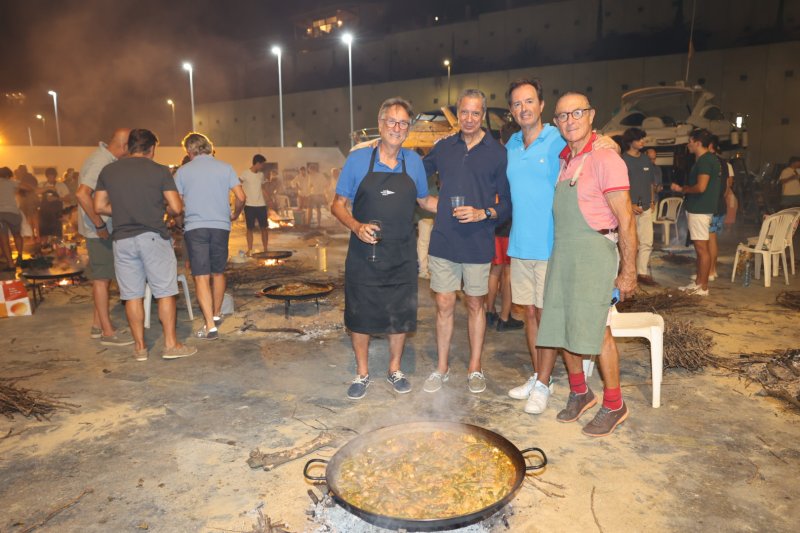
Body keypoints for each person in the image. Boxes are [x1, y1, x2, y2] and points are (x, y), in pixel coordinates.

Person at [537, 91, 637, 437]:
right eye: (563, 116)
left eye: (577, 113)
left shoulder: (605, 158)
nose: (570, 120)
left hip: (594, 251)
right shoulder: (566, 159)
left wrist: (627, 271)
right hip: (564, 250)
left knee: (597, 329)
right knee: (564, 324)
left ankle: (614, 403)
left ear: (591, 115)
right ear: (556, 122)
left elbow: (626, 219)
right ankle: (580, 391)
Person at [331, 97, 437, 400]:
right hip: (364, 253)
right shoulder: (358, 160)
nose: (397, 128)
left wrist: (456, 209)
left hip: (402, 252)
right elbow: (337, 205)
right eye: (391, 121)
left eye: (403, 123)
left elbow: (425, 201)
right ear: (380, 124)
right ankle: (362, 373)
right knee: (361, 314)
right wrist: (356, 226)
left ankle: (394, 369)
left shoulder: (414, 162)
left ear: (408, 129)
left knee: (399, 313)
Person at [421, 88, 511, 394]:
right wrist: (424, 199)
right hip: (444, 238)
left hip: (477, 240)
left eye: (475, 113)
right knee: (444, 303)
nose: (469, 118)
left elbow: (507, 206)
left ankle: (475, 367)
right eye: (464, 112)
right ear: (457, 114)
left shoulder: (498, 152)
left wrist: (482, 213)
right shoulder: (444, 147)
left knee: (475, 304)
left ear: (483, 115)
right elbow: (418, 172)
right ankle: (442, 368)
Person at [94, 128, 196, 361]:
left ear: (129, 147)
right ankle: (171, 345)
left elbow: (98, 206)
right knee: (165, 293)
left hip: (122, 240)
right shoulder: (159, 171)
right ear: (151, 148)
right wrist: (160, 210)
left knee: (132, 295)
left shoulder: (109, 171)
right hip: (152, 238)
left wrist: (120, 211)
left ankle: (139, 347)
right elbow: (177, 207)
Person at [175, 133, 246, 340]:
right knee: (218, 273)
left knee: (201, 276)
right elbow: (241, 197)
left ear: (189, 151)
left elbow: (176, 205)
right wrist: (235, 214)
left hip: (195, 227)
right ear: (208, 147)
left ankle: (209, 325)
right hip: (220, 226)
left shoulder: (183, 171)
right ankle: (215, 314)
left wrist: (180, 223)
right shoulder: (225, 167)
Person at [74, 128, 134, 346]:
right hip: (98, 230)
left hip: (100, 229)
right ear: (125, 146)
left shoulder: (104, 159)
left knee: (104, 277)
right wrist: (99, 224)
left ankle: (98, 326)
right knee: (101, 279)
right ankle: (108, 333)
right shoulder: (101, 161)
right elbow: (82, 194)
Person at [670, 129, 721, 297]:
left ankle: (703, 287)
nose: (688, 144)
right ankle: (699, 283)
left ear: (698, 143)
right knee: (701, 248)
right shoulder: (708, 159)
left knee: (701, 248)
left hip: (700, 208)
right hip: (700, 208)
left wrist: (682, 189)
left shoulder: (705, 161)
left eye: (690, 141)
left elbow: (701, 187)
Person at [488, 120, 523, 332]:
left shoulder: (494, 155)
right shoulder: (517, 156)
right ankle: (504, 317)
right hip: (511, 223)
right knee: (509, 273)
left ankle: (489, 311)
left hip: (494, 221)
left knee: (494, 270)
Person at [622, 127, 661, 285]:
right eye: (639, 139)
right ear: (631, 142)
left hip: (645, 208)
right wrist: (629, 204)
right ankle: (627, 272)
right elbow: (620, 187)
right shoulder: (623, 160)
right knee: (629, 243)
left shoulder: (646, 160)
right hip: (628, 210)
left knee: (647, 241)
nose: (642, 142)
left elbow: (651, 183)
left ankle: (642, 273)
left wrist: (651, 201)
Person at [0, 166, 31, 270]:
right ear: (9, 175)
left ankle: (10, 264)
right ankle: (20, 256)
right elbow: (27, 187)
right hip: (12, 213)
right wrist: (17, 187)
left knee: (4, 239)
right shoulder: (11, 182)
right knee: (17, 235)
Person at [239, 154, 269, 255]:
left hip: (261, 205)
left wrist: (269, 199)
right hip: (249, 205)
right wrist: (240, 197)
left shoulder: (261, 175)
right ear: (257, 163)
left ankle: (265, 248)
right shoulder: (245, 173)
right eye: (262, 165)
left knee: (264, 228)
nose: (263, 167)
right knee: (249, 228)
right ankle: (250, 249)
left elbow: (263, 188)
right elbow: (238, 184)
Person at [14, 165, 40, 243]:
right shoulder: (30, 177)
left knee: (31, 219)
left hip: (29, 200)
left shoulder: (26, 178)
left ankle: (34, 237)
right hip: (29, 200)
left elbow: (25, 189)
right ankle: (35, 237)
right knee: (32, 218)